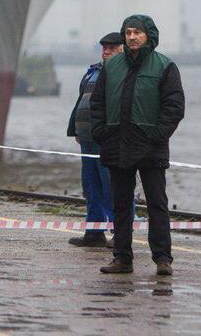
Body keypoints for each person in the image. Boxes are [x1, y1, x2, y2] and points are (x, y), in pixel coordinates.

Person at [90, 15, 185, 276]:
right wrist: (101, 132)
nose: (132, 37)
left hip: (151, 147)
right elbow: (97, 103)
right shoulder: (112, 66)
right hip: (116, 145)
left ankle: (163, 258)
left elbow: (174, 107)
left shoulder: (165, 66)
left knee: (157, 204)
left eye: (137, 33)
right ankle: (122, 258)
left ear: (149, 36)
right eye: (128, 32)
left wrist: (157, 135)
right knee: (120, 204)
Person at [66, 31, 124, 247]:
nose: (106, 51)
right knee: (90, 185)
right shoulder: (92, 72)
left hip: (107, 140)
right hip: (87, 139)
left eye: (111, 48)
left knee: (112, 185)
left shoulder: (123, 73)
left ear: (122, 49)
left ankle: (120, 233)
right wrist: (75, 129)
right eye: (104, 48)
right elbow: (81, 102)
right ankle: (94, 232)